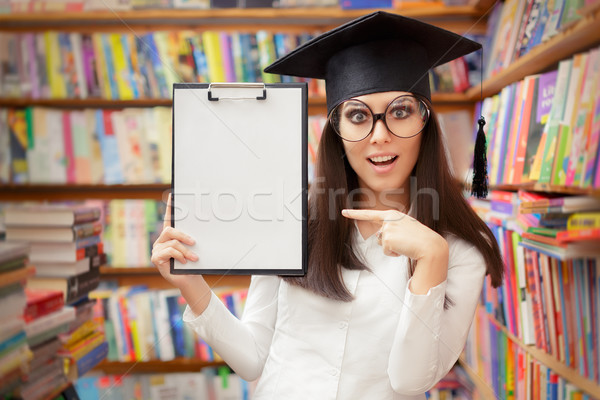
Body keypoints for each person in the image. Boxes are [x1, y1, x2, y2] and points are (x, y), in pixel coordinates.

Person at [151, 11, 504, 399]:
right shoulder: (291, 217)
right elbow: (252, 359)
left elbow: (409, 381)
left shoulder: (459, 251)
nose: (380, 136)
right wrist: (190, 284)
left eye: (400, 111)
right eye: (357, 116)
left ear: (426, 120)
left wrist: (432, 259)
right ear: (336, 130)